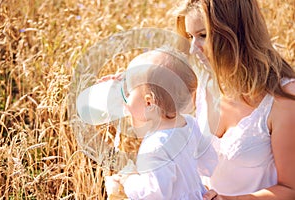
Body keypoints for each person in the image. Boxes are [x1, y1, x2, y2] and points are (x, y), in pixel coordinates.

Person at [175, 0, 295, 199]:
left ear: (235, 31)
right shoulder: (205, 79)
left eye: (203, 35)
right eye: (190, 36)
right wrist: (125, 85)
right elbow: (158, 100)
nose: (193, 49)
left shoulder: (284, 99)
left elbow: (291, 189)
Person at [104, 47, 208, 199]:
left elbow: (153, 193)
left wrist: (129, 181)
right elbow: (207, 161)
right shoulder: (189, 124)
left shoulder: (155, 146)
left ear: (149, 103)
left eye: (129, 92)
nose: (125, 99)